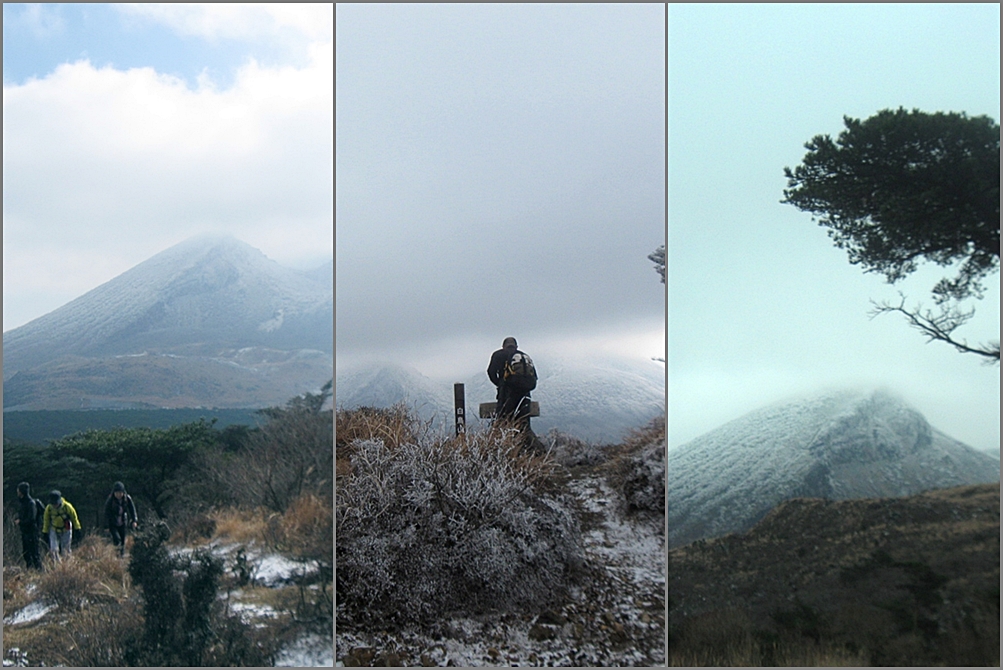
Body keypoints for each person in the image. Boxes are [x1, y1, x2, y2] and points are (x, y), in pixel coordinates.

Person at [487, 336, 538, 427]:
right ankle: (524, 439)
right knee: (523, 423)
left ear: (503, 346)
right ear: (516, 346)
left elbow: (491, 372)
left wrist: (500, 383)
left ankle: (506, 440)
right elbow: (534, 376)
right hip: (524, 394)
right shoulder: (523, 356)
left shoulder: (498, 355)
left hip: (506, 393)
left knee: (504, 421)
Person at [42, 491, 81, 561]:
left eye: (56, 503)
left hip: (66, 530)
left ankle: (67, 565)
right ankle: (57, 566)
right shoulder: (49, 509)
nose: (54, 505)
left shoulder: (67, 507)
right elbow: (46, 521)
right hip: (54, 530)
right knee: (53, 550)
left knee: (66, 550)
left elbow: (74, 518)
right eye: (53, 503)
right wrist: (45, 532)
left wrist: (77, 528)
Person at [104, 481, 138, 557]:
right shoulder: (110, 500)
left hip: (123, 522)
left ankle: (121, 556)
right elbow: (106, 513)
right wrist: (106, 526)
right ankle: (117, 555)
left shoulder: (127, 498)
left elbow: (132, 510)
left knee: (122, 541)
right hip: (113, 523)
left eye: (120, 492)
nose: (119, 495)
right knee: (117, 539)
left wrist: (134, 520)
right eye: (117, 493)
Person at [15, 482, 44, 570]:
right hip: (25, 532)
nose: (17, 492)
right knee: (26, 553)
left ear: (22, 491)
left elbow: (31, 519)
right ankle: (30, 571)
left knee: (35, 554)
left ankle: (40, 572)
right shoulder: (23, 503)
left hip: (32, 532)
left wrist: (20, 522)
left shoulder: (31, 503)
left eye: (18, 490)